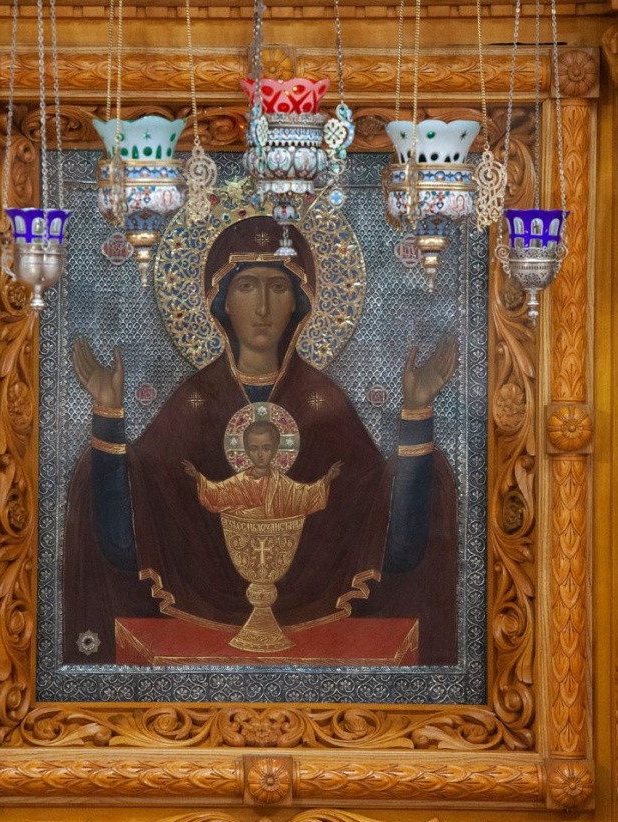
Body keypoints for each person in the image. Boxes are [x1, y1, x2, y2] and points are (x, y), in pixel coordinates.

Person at [63, 216, 458, 664]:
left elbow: (396, 547)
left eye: (279, 287)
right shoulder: (193, 402)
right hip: (195, 623)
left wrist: (417, 414)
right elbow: (125, 543)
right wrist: (108, 416)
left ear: (300, 302)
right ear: (221, 301)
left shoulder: (324, 404)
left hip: (323, 629)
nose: (264, 307)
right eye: (247, 286)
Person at [183, 420, 342, 520]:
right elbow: (217, 494)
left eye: (266, 448)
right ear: (246, 451)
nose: (260, 455)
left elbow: (304, 496)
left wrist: (328, 479)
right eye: (254, 449)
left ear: (275, 449)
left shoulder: (283, 485)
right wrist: (197, 477)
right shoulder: (237, 483)